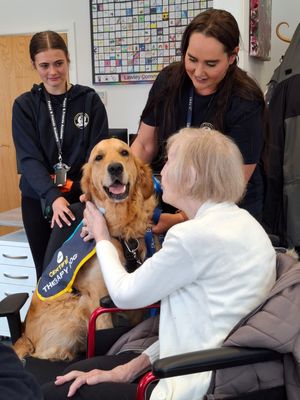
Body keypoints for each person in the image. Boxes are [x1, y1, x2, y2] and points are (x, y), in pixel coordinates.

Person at [42, 127, 276, 400]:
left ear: (191, 176)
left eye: (169, 161)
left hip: (189, 383)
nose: (158, 171)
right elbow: (195, 328)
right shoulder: (244, 223)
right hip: (217, 367)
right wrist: (126, 370)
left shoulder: (192, 237)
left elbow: (124, 294)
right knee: (79, 375)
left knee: (51, 393)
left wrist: (102, 235)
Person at [131, 8, 266, 231]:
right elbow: (145, 145)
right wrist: (122, 182)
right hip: (175, 203)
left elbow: (234, 184)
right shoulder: (168, 81)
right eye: (192, 59)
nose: (199, 72)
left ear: (232, 56)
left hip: (226, 215)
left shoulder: (245, 100)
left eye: (211, 64)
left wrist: (182, 218)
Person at [12, 30, 109, 280]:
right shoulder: (25, 106)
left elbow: (98, 155)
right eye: (44, 65)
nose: (53, 72)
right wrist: (53, 197)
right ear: (34, 65)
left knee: (81, 273)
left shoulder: (89, 101)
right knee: (46, 272)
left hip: (81, 197)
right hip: (40, 200)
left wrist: (89, 193)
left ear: (68, 59)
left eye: (59, 63)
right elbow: (28, 160)